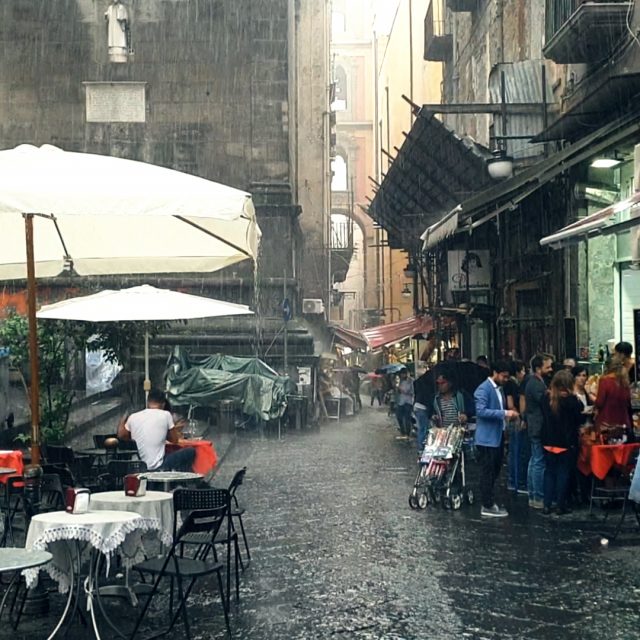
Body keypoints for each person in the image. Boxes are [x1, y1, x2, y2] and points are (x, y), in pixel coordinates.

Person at [473, 360, 519, 517]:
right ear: (495, 373)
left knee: (494, 470)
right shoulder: (483, 389)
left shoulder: (499, 389)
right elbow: (481, 411)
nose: (506, 380)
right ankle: (487, 504)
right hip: (487, 440)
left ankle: (490, 501)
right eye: (504, 376)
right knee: (488, 472)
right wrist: (505, 413)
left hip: (497, 437)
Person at [117, 388, 196, 472]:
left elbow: (121, 435)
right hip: (157, 466)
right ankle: (185, 481)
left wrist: (123, 419)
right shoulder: (166, 415)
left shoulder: (133, 417)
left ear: (148, 402)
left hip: (139, 466)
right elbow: (175, 440)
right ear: (163, 404)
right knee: (190, 451)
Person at [541, 370, 585, 515]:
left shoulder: (546, 398)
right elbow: (580, 419)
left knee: (549, 473)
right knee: (563, 473)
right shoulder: (572, 401)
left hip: (548, 440)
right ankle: (561, 504)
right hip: (566, 442)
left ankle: (546, 504)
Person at [525, 354, 554, 509]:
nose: (550, 369)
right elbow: (544, 402)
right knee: (538, 461)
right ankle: (537, 496)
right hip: (537, 425)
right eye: (547, 366)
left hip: (534, 424)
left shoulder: (536, 382)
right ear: (538, 368)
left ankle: (533, 495)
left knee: (534, 460)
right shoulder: (535, 384)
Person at [594, 354, 633, 436]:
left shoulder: (605, 380)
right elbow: (628, 401)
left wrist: (592, 398)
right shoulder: (624, 381)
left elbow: (599, 402)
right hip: (623, 423)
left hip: (607, 423)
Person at [505, 360, 528, 494]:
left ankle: (514, 481)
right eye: (523, 370)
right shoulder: (512, 385)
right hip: (515, 420)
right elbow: (510, 404)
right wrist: (519, 416)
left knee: (514, 451)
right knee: (516, 451)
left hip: (512, 419)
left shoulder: (510, 384)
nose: (524, 373)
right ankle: (516, 482)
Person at [413, 369, 433, 453]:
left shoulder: (418, 382)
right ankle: (421, 447)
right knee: (423, 428)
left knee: (421, 428)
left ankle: (421, 446)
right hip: (422, 407)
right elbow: (428, 399)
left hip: (417, 406)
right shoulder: (427, 385)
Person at [395, 368, 414, 439]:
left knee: (407, 418)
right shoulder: (400, 381)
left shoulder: (411, 381)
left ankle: (408, 433)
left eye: (403, 374)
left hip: (408, 402)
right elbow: (398, 392)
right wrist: (398, 390)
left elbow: (413, 391)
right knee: (399, 416)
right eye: (401, 374)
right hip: (401, 402)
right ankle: (403, 431)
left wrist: (405, 391)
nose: (402, 375)